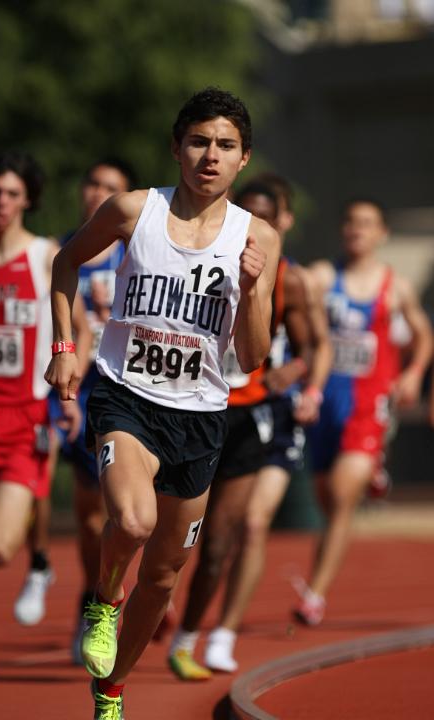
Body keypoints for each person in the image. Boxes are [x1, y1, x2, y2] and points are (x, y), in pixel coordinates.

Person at [45, 87, 279, 719]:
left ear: (243, 159)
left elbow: (253, 356)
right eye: (199, 141)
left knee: (166, 575)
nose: (210, 155)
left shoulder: (257, 237)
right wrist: (65, 345)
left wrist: (254, 290)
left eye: (225, 146)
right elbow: (65, 264)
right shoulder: (132, 210)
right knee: (134, 522)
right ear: (177, 148)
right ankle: (102, 599)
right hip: (126, 396)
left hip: (201, 416)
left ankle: (112, 688)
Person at [168, 176, 332, 679]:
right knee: (165, 532)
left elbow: (311, 346)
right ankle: (150, 596)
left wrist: (298, 373)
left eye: (266, 220)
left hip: (248, 414)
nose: (254, 231)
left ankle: (192, 637)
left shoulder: (289, 279)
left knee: (221, 539)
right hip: (189, 405)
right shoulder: (198, 254)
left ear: (279, 223)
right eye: (248, 217)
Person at [0, 151, 78, 687]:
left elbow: (78, 327)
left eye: (12, 193)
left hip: (21, 415)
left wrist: (70, 371)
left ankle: (36, 552)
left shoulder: (43, 256)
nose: (1, 202)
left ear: (27, 198)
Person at [14, 160, 135, 652]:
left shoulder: (138, 253)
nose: (98, 193)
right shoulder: (58, 252)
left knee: (101, 515)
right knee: (35, 477)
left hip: (117, 388)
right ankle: (43, 565)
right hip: (61, 385)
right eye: (92, 183)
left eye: (111, 187)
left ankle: (106, 596)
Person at [294, 198, 433, 626]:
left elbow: (425, 337)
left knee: (339, 495)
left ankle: (314, 594)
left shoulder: (396, 287)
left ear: (382, 234)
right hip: (323, 400)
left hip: (367, 403)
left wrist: (412, 375)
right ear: (343, 230)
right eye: (351, 222)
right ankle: (374, 471)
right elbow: (286, 290)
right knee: (324, 495)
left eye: (367, 224)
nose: (357, 230)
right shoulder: (321, 277)